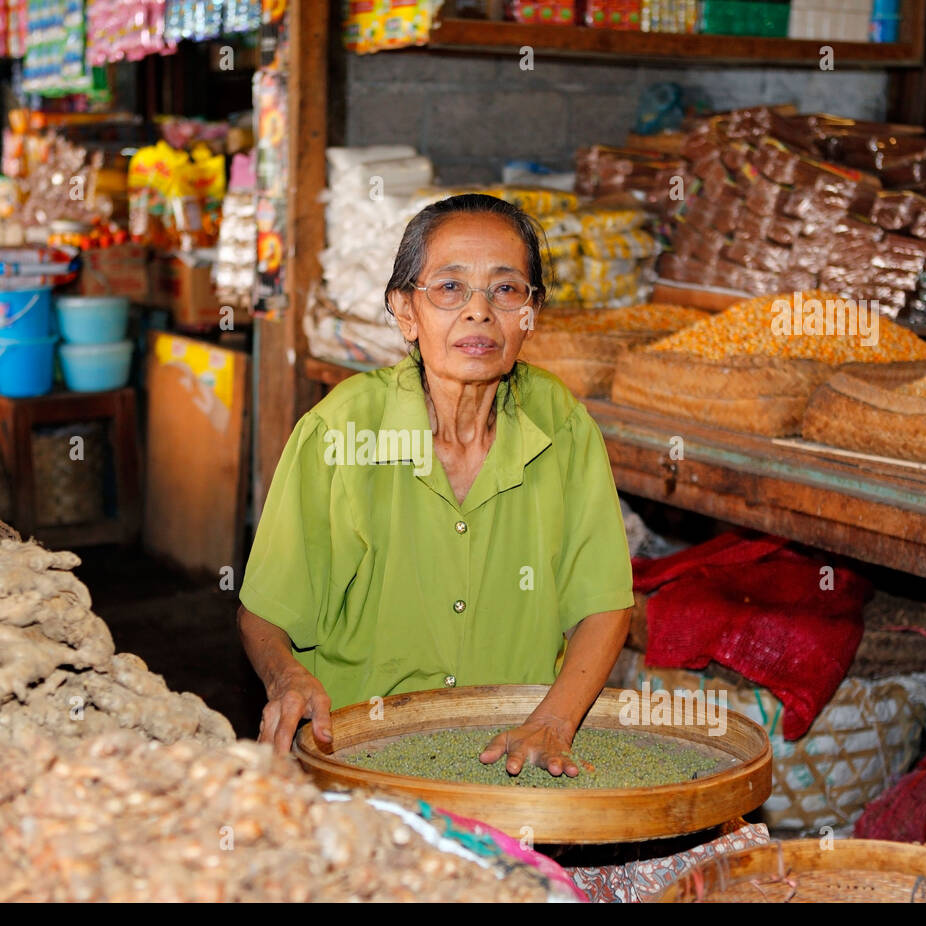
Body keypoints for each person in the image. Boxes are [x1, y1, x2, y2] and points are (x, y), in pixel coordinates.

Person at [238, 193, 634, 777]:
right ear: (404, 311)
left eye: (505, 290)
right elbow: (265, 612)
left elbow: (602, 605)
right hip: (359, 755)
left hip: (510, 753)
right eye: (449, 289)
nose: (479, 312)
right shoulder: (340, 430)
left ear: (531, 313)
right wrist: (286, 675)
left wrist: (553, 720)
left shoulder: (563, 425)